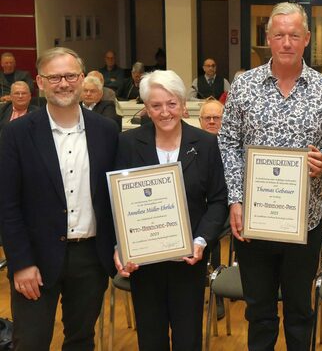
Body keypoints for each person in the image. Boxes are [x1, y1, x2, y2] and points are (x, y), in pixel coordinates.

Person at [219, 2, 322, 350]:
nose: (287, 42)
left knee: (299, 310)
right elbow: (228, 142)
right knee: (259, 310)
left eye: (294, 35)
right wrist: (235, 198)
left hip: (302, 223)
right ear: (268, 39)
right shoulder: (244, 86)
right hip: (254, 218)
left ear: (306, 38)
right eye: (279, 35)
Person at [0, 47, 118, 350]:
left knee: (81, 340)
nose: (63, 83)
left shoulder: (107, 131)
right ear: (40, 81)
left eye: (70, 75)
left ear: (82, 79)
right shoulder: (17, 133)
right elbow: (7, 204)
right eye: (55, 77)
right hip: (35, 259)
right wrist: (21, 262)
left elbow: (116, 195)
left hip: (90, 257)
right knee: (31, 342)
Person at [114, 70, 228, 351]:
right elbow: (116, 201)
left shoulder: (205, 144)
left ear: (182, 104)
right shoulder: (128, 143)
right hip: (144, 263)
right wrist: (121, 245)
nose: (165, 112)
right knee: (150, 338)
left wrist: (201, 241)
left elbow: (217, 200)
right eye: (156, 105)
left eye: (171, 103)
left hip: (188, 260)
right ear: (146, 109)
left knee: (188, 339)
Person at [198, 97, 227, 319]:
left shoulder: (232, 145)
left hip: (230, 206)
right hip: (205, 207)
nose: (211, 121)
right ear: (200, 121)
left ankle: (218, 294)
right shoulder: (193, 145)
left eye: (216, 117)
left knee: (212, 230)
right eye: (206, 118)